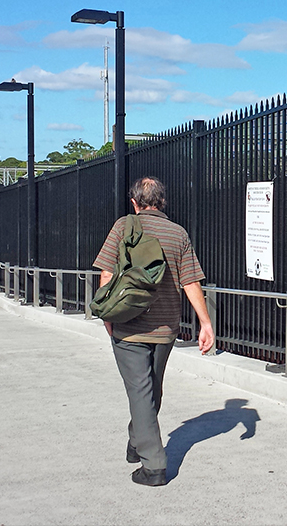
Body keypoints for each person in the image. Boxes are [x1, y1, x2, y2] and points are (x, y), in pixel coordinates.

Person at [93, 176, 214, 487]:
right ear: (163, 202)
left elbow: (107, 271)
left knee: (141, 392)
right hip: (165, 328)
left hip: (128, 326)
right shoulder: (178, 233)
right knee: (151, 390)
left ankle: (154, 466)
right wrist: (205, 323)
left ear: (135, 203)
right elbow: (191, 281)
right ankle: (138, 442)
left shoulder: (124, 226)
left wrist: (107, 314)